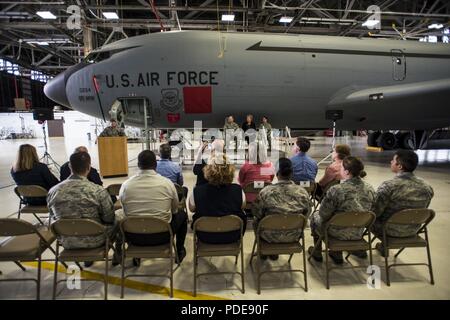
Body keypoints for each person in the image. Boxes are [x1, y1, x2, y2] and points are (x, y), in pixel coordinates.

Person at [47, 152, 120, 266]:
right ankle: (119, 254)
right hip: (96, 239)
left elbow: (53, 217)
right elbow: (109, 218)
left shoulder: (53, 192)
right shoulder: (98, 191)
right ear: (89, 167)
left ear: (70, 167)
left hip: (67, 240)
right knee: (121, 216)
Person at [119, 150, 188, 264]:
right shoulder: (167, 184)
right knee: (182, 215)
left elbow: (124, 208)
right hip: (162, 235)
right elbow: (175, 209)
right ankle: (180, 250)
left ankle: (136, 254)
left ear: (138, 165)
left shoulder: (126, 185)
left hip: (134, 236)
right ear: (155, 165)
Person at [309, 156, 375, 264]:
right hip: (357, 231)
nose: (340, 170)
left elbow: (324, 214)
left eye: (341, 168)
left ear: (347, 172)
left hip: (335, 231)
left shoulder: (337, 190)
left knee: (315, 216)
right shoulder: (370, 189)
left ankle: (317, 251)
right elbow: (372, 211)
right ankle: (337, 252)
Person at [372, 150, 434, 256]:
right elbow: (420, 211)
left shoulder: (389, 186)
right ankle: (383, 246)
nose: (391, 162)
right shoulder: (427, 187)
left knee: (362, 217)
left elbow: (375, 212)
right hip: (413, 230)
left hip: (388, 230)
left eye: (393, 160)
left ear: (400, 166)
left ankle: (357, 249)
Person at [252, 158, 311, 260]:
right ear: (292, 173)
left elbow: (257, 212)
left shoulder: (266, 192)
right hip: (294, 235)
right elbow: (307, 213)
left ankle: (263, 250)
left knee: (255, 221)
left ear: (276, 173)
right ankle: (274, 253)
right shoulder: (303, 192)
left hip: (269, 235)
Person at [189, 154, 247, 244]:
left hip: (204, 235)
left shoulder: (198, 191)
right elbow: (243, 206)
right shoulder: (238, 190)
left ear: (208, 171)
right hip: (232, 234)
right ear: (230, 170)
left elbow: (192, 209)